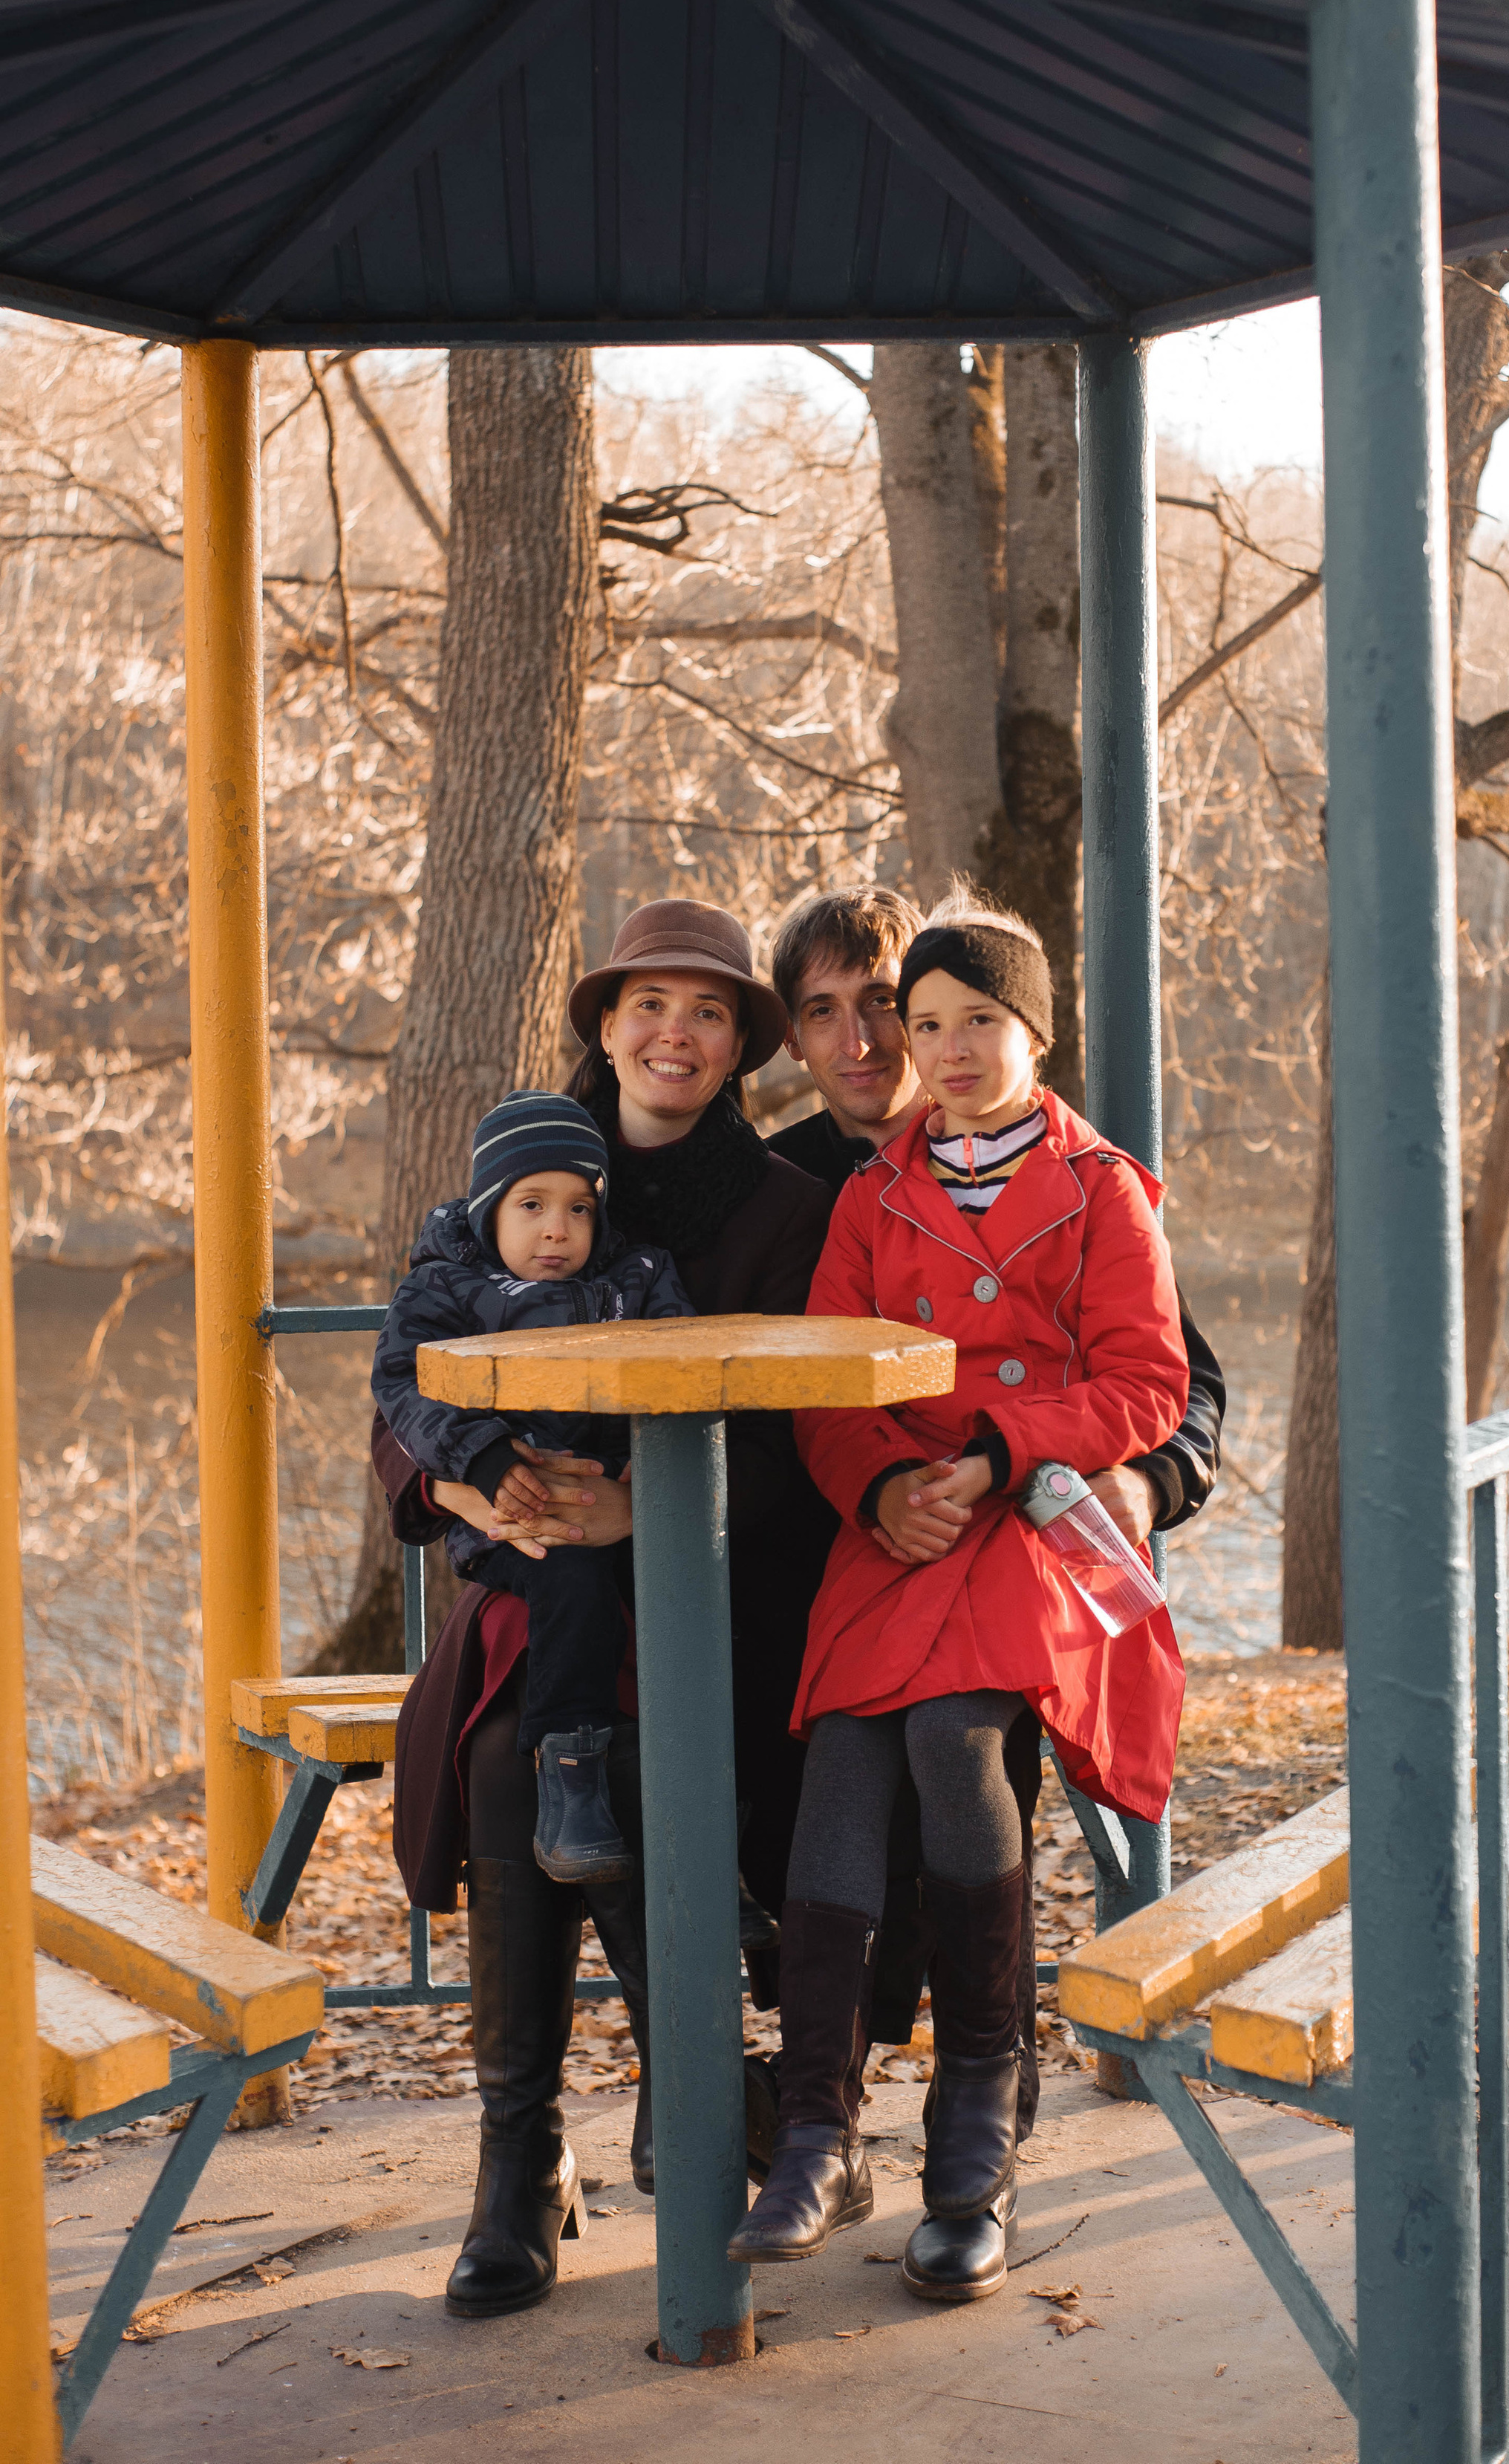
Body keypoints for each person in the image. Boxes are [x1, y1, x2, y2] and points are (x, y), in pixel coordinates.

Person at [732, 891, 1190, 2307]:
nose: (946, 1048)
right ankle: (816, 2127)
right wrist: (879, 1489)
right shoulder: (871, 1198)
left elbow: (1151, 1383)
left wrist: (997, 1452)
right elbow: (825, 1385)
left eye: (977, 1022)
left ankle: (973, 2135)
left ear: (1033, 1032)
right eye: (926, 1025)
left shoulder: (1102, 1186)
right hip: (903, 1530)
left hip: (1032, 1525)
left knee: (944, 1737)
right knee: (849, 1753)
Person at [382, 900, 834, 2319]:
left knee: (608, 1759)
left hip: (704, 1599)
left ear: (741, 1045)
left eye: (708, 1012)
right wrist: (468, 1502)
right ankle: (518, 2161)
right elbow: (408, 1389)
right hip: (529, 1585)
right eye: (649, 1004)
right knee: (517, 1754)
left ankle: (686, 2104)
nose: (674, 1034)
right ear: (605, 1023)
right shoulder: (519, 1172)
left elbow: (798, 1444)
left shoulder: (780, 1213)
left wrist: (650, 1512)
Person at [371, 1089, 692, 1885]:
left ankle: (719, 1847)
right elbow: (406, 1386)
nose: (559, 1230)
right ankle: (569, 1772)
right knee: (572, 1583)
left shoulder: (637, 1279)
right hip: (510, 1516)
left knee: (696, 1606)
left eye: (581, 1208)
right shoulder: (445, 1289)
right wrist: (481, 1462)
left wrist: (636, 1475)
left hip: (622, 1502)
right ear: (488, 1210)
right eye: (533, 1206)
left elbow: (685, 1370)